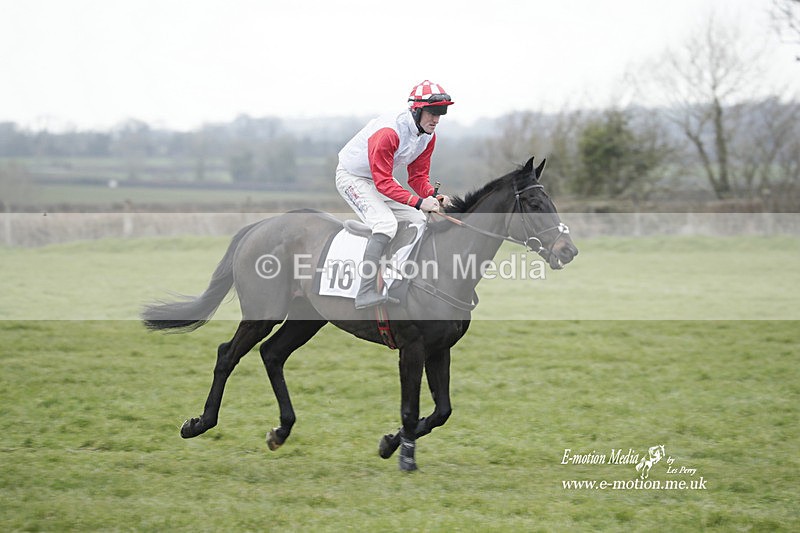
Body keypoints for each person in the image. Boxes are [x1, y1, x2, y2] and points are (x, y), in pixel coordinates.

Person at [336, 80, 454, 309]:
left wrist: (432, 195)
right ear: (417, 110)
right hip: (352, 177)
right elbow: (383, 182)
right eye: (433, 113)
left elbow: (417, 177)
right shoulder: (389, 132)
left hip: (378, 180)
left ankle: (396, 275)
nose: (437, 119)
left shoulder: (428, 136)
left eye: (442, 113)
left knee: (418, 219)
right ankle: (365, 291)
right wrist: (420, 202)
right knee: (386, 224)